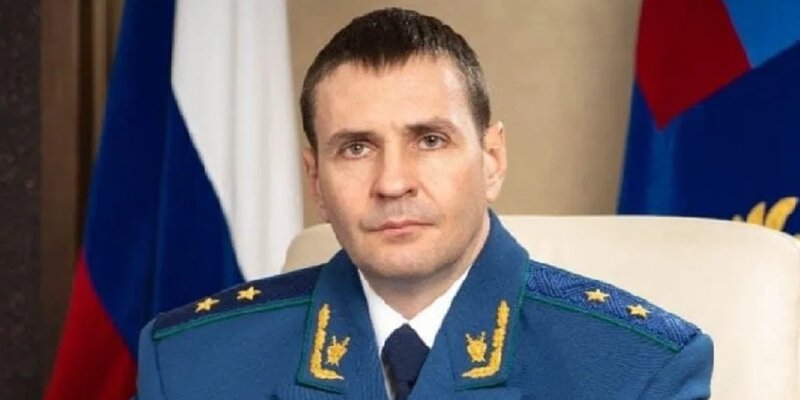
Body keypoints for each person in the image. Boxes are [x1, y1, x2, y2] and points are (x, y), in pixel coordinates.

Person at [135, 7, 713, 399]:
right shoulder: (191, 365)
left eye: (430, 140)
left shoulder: (638, 371)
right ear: (316, 179)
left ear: (492, 159)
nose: (393, 183)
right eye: (356, 148)